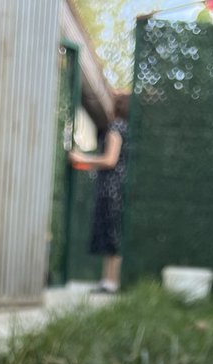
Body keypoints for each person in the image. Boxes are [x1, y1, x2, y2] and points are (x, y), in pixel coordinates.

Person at [68, 90, 130, 293]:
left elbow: (110, 160)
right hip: (119, 186)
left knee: (111, 234)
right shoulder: (129, 128)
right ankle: (109, 281)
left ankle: (111, 282)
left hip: (111, 187)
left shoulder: (115, 129)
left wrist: (81, 159)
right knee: (113, 233)